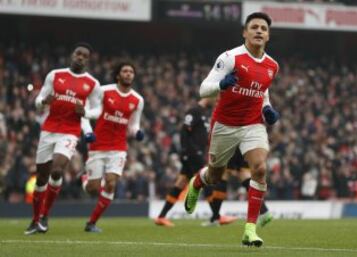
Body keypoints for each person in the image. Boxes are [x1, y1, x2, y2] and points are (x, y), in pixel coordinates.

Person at [184, 12, 280, 247]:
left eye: (263, 28)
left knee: (259, 169)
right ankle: (197, 182)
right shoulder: (230, 58)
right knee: (215, 175)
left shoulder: (272, 66)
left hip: (253, 124)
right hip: (225, 124)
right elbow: (203, 89)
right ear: (244, 32)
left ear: (268, 36)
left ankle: (250, 230)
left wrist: (267, 108)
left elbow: (262, 90)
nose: (259, 31)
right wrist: (221, 85)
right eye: (254, 27)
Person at [24, 42, 102, 235]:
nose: (81, 57)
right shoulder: (54, 75)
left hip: (70, 131)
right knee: (41, 177)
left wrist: (86, 112)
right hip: (49, 130)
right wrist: (43, 102)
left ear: (88, 60)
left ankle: (45, 217)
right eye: (78, 54)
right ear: (72, 55)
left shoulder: (92, 83)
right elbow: (38, 102)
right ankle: (35, 220)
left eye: (85, 55)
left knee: (57, 170)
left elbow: (98, 109)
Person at [81, 62, 144, 232]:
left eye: (131, 71)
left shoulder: (138, 100)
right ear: (118, 75)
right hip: (98, 145)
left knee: (110, 184)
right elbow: (86, 109)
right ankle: (85, 180)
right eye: (125, 71)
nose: (128, 74)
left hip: (118, 148)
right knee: (93, 189)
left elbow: (133, 124)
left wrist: (137, 132)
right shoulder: (103, 91)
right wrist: (87, 129)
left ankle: (91, 223)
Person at [154, 98, 237, 227]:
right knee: (207, 180)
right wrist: (188, 152)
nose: (216, 101)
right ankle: (216, 216)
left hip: (194, 153)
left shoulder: (204, 113)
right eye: (215, 98)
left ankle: (161, 217)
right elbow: (184, 131)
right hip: (192, 154)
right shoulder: (194, 111)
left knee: (180, 183)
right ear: (208, 96)